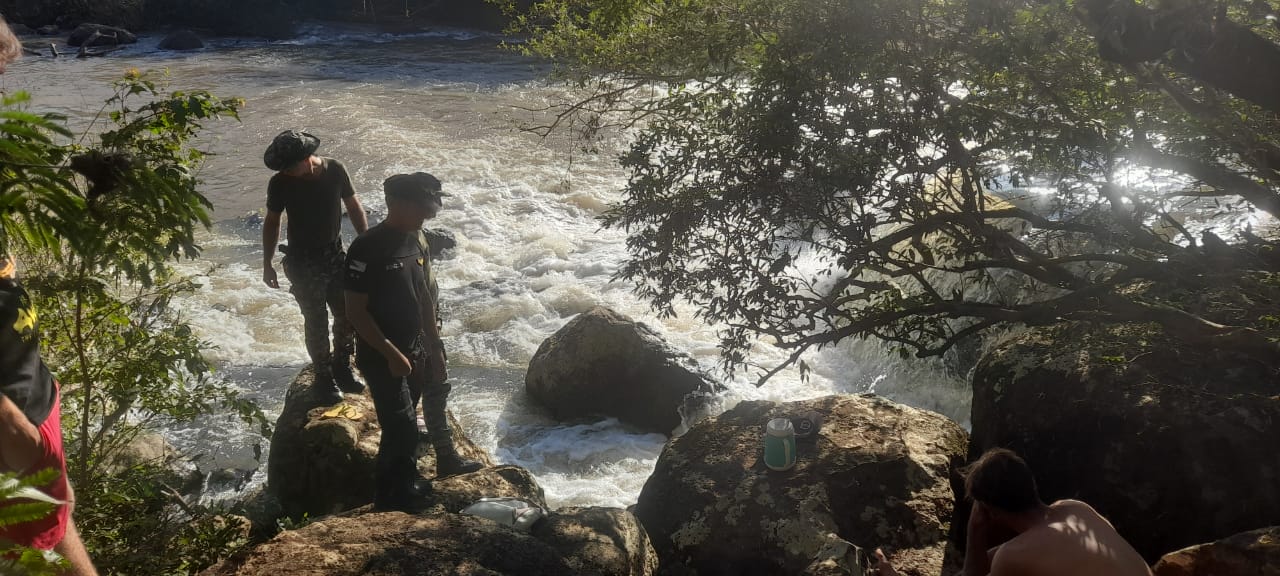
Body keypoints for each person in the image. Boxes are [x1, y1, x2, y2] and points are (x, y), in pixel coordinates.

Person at [0, 16, 99, 575]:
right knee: (25, 552)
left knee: (57, 520)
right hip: (11, 416)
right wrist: (12, 428)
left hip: (28, 391)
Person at [344, 172, 482, 512]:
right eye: (421, 208)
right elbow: (355, 312)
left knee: (402, 428)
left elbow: (422, 297)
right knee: (402, 426)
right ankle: (391, 499)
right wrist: (391, 353)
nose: (427, 215)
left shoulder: (415, 238)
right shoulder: (367, 246)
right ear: (397, 204)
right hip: (381, 354)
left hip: (415, 349)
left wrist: (434, 347)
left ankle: (400, 484)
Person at [876, 448, 1152, 576]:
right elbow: (977, 569)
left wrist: (975, 528)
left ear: (988, 510)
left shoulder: (1015, 557)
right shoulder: (1075, 510)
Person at [262, 130, 369, 404]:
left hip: (334, 256)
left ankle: (343, 367)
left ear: (307, 158)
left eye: (289, 166)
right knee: (316, 320)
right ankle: (324, 377)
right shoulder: (280, 183)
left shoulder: (335, 170)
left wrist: (367, 244)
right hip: (301, 261)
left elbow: (354, 206)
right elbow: (273, 222)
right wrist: (267, 263)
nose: (285, 171)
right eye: (282, 167)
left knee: (347, 315)